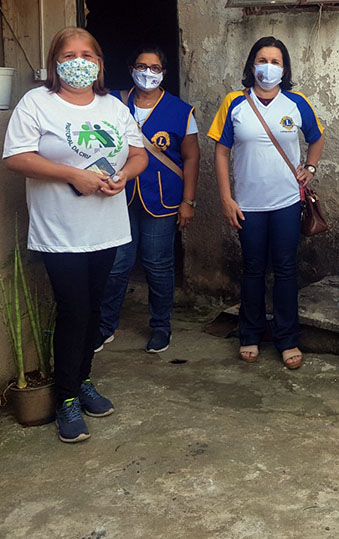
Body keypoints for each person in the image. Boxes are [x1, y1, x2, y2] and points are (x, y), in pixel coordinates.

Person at [3, 27, 147, 443]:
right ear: (55, 61)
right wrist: (72, 175)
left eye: (87, 54)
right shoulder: (37, 103)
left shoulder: (114, 107)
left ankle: (82, 380)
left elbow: (137, 155)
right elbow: (15, 158)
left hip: (106, 227)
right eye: (69, 55)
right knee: (74, 311)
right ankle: (66, 398)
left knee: (96, 310)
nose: (78, 61)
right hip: (60, 231)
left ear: (99, 63)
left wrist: (123, 176)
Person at [208, 36, 324, 369]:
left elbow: (316, 138)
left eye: (275, 62)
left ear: (284, 69)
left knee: (286, 271)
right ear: (251, 65)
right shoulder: (235, 102)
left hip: (287, 201)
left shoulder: (297, 103)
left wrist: (310, 168)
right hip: (248, 203)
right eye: (262, 60)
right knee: (253, 270)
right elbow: (221, 150)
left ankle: (287, 339)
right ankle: (250, 334)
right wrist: (226, 198)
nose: (268, 67)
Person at [97, 45, 200, 354]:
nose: (148, 72)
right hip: (118, 195)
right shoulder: (112, 102)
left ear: (164, 73)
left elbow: (192, 157)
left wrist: (188, 202)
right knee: (117, 265)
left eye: (155, 68)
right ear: (131, 68)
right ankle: (105, 327)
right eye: (142, 66)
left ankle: (160, 327)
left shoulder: (181, 111)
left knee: (158, 265)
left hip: (163, 198)